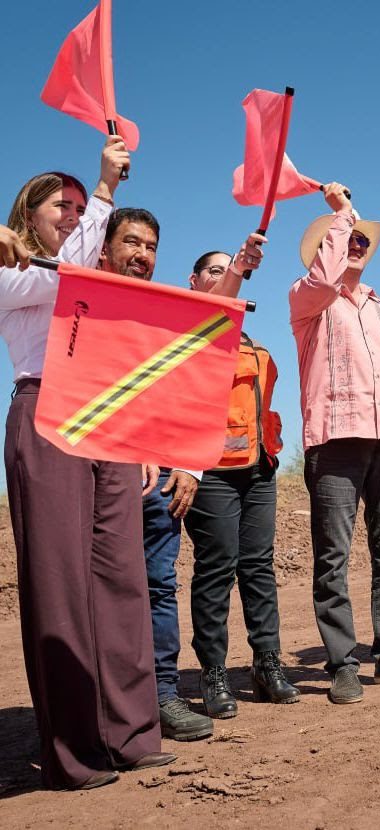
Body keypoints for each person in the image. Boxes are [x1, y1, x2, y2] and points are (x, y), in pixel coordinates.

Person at [0, 137, 175, 790]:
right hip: (46, 415)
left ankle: (131, 734)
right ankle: (74, 750)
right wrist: (103, 190)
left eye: (80, 207)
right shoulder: (14, 272)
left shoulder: (88, 270)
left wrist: (139, 438)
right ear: (30, 216)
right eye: (61, 206)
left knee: (122, 580)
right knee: (61, 587)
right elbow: (63, 270)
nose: (74, 216)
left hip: (106, 424)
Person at [289, 182, 380, 704]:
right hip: (334, 440)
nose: (357, 246)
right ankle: (341, 663)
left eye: (361, 241)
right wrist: (342, 214)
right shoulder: (307, 299)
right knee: (332, 556)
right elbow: (324, 274)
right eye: (347, 239)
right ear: (326, 248)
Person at [97, 208, 213, 742]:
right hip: (95, 473)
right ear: (105, 248)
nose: (142, 255)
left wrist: (188, 463)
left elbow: (189, 393)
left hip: (159, 479)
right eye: (131, 243)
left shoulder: (168, 315)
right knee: (100, 589)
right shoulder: (80, 308)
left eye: (150, 246)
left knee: (159, 586)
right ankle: (106, 704)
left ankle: (163, 694)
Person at [184, 238, 300, 717]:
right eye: (212, 270)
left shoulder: (255, 348)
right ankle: (213, 673)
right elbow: (216, 310)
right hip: (209, 474)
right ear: (194, 283)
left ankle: (266, 664)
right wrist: (239, 267)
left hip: (257, 472)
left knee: (258, 569)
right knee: (216, 569)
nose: (221, 276)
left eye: (225, 270)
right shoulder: (192, 334)